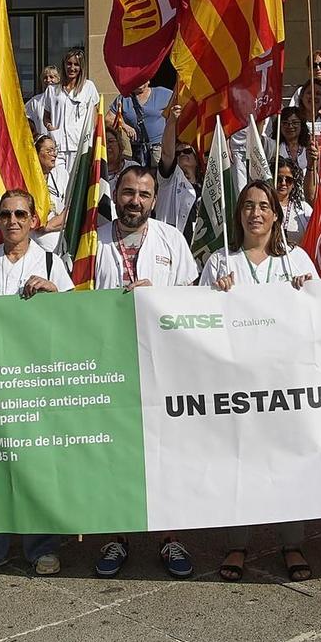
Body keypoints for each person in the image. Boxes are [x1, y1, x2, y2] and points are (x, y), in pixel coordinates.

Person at [200, 180, 320, 583]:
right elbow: (200, 321)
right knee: (241, 462)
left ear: (276, 214)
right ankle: (238, 542)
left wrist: (307, 294)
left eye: (264, 206)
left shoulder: (296, 261)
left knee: (288, 460)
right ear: (239, 214)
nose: (255, 213)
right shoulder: (221, 261)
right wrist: (216, 296)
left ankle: (292, 542)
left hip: (286, 381)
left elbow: (318, 318)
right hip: (237, 384)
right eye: (248, 206)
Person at [0, 188, 72, 576]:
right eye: (5, 215)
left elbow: (75, 318)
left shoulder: (53, 263)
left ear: (34, 220)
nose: (13, 221)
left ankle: (42, 547)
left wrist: (55, 293)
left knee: (38, 461)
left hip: (38, 381)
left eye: (21, 214)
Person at [93, 165, 198, 580]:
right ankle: (116, 535)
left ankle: (169, 537)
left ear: (154, 200)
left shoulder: (172, 239)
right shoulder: (93, 241)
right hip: (108, 361)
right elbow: (74, 295)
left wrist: (159, 296)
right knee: (114, 452)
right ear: (115, 194)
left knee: (163, 451)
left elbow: (191, 298)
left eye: (144, 194)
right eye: (128, 192)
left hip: (161, 362)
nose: (135, 200)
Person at [153, 104, 201, 233]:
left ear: (196, 159)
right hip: (170, 247)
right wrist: (172, 121)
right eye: (178, 153)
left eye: (186, 151)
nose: (182, 155)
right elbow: (167, 153)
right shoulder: (169, 179)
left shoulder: (205, 185)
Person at [49, 47, 101, 160]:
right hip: (58, 146)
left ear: (81, 67)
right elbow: (46, 115)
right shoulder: (52, 90)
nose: (72, 68)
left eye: (76, 65)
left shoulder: (89, 87)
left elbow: (95, 119)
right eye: (69, 64)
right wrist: (50, 127)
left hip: (80, 146)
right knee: (59, 177)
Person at [110, 78, 172, 166]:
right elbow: (108, 119)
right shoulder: (123, 98)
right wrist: (125, 126)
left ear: (149, 80)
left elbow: (180, 104)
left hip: (159, 148)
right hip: (137, 150)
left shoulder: (162, 93)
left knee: (159, 177)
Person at [31, 134, 70, 254]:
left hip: (59, 235)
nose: (54, 154)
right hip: (33, 239)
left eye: (54, 150)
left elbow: (71, 209)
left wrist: (48, 226)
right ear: (36, 153)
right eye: (49, 150)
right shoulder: (27, 178)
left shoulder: (61, 174)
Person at [273, 158, 311, 242]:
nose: (283, 183)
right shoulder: (265, 206)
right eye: (279, 179)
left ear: (293, 184)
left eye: (288, 180)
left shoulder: (303, 208)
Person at [25, 66, 64, 139]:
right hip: (42, 144)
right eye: (45, 78)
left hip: (62, 143)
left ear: (58, 79)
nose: (48, 80)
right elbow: (23, 117)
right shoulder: (35, 101)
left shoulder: (64, 99)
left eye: (52, 77)